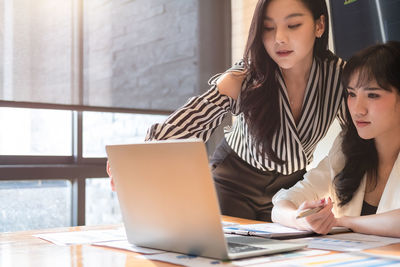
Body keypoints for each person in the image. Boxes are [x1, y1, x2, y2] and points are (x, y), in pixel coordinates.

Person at [108, 0, 346, 221]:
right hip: (232, 182)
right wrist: (134, 161)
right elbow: (193, 119)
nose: (279, 39)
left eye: (293, 25)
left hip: (289, 190)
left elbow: (358, 136)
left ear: (319, 25)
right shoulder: (245, 77)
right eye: (267, 28)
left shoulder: (340, 77)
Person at [271, 41, 400, 238]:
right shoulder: (346, 147)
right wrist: (301, 218)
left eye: (373, 95)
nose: (358, 109)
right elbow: (282, 204)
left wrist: (343, 222)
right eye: (351, 94)